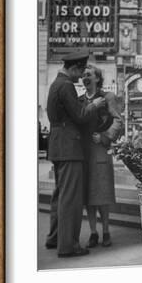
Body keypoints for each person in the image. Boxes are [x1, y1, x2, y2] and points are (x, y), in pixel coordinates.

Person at [45, 49, 106, 257]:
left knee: (60, 196)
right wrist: (94, 104)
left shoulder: (55, 84)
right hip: (70, 147)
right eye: (79, 72)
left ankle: (55, 238)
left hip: (57, 145)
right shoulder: (66, 86)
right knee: (71, 199)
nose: (81, 77)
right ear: (72, 68)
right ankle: (68, 246)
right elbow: (80, 116)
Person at [80, 65, 123, 248]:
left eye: (89, 75)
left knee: (102, 195)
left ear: (97, 79)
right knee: (88, 196)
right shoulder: (79, 100)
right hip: (83, 153)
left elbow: (118, 120)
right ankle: (93, 233)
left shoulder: (108, 98)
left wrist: (105, 137)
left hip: (100, 151)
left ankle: (106, 231)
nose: (85, 78)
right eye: (83, 75)